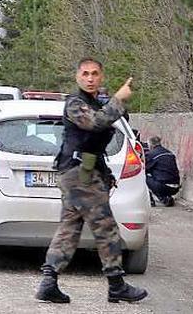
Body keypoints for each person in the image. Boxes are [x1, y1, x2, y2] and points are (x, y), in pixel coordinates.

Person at [35, 58, 147, 304]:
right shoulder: (75, 104)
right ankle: (116, 284)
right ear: (77, 76)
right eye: (85, 73)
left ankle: (48, 282)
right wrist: (120, 98)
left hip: (84, 172)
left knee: (69, 229)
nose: (89, 78)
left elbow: (98, 137)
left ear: (101, 77)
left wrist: (105, 174)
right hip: (78, 174)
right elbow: (96, 123)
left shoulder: (96, 103)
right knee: (106, 228)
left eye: (94, 73)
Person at [145, 136, 180, 207]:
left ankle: (151, 201)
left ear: (151, 145)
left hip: (163, 187)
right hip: (176, 187)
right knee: (159, 177)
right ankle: (166, 198)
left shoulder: (152, 154)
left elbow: (145, 169)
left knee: (142, 176)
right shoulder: (169, 153)